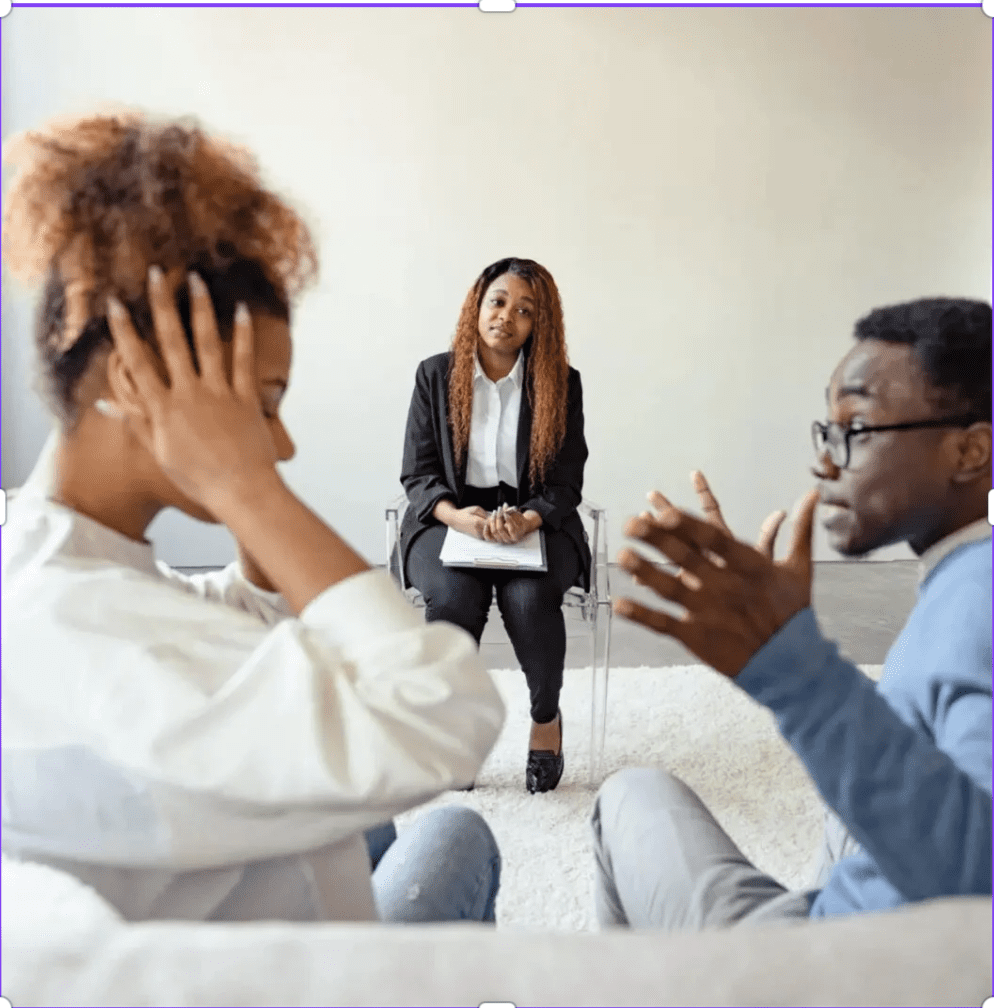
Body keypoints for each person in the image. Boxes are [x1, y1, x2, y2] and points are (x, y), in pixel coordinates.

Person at [0, 110, 505, 926]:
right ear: (136, 378)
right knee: (455, 833)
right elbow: (443, 712)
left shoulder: (55, 561)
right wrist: (245, 485)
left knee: (394, 829)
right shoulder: (85, 634)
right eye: (262, 407)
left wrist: (246, 488)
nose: (282, 443)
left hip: (217, 853)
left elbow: (236, 637)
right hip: (302, 976)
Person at [594, 297, 991, 927]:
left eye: (855, 430)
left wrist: (795, 670)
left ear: (969, 453)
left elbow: (979, 881)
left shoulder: (981, 598)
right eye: (826, 432)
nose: (825, 461)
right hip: (845, 915)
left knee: (625, 795)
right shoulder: (961, 575)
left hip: (827, 974)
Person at [399, 257, 591, 793]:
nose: (507, 316)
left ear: (540, 324)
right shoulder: (435, 375)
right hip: (448, 516)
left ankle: (545, 720)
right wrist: (458, 517)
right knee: (454, 596)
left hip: (535, 517)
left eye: (524, 310)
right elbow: (418, 474)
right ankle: (454, 732)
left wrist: (529, 517)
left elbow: (566, 481)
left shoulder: (562, 384)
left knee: (529, 601)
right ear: (477, 307)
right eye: (498, 302)